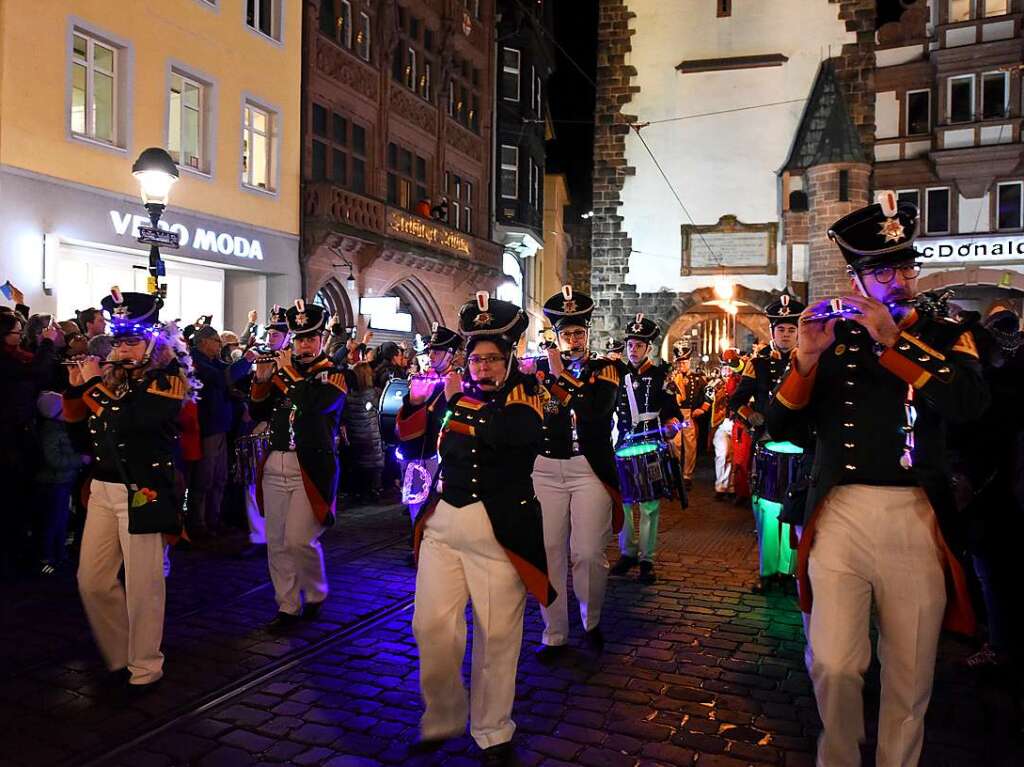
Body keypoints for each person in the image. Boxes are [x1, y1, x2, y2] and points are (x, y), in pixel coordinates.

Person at [766, 192, 988, 767]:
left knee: (910, 668)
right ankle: (837, 755)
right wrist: (806, 361)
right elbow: (778, 426)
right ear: (856, 276)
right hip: (839, 509)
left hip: (916, 512)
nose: (899, 279)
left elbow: (968, 402)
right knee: (834, 661)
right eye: (882, 269)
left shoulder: (945, 331)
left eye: (904, 266)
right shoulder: (830, 336)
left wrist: (895, 339)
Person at [411, 292, 554, 766]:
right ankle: (443, 714)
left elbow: (511, 436)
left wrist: (459, 402)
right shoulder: (452, 391)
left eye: (492, 359)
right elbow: (412, 438)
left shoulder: (528, 392)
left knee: (496, 636)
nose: (483, 367)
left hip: (499, 528)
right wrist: (422, 399)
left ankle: (493, 729)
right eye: (476, 358)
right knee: (430, 624)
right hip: (444, 520)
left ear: (510, 357)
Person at [64, 289, 192, 690]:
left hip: (144, 489)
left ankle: (145, 666)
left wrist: (93, 388)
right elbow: (81, 434)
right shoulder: (110, 379)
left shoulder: (167, 379)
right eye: (118, 340)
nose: (123, 349)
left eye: (132, 340)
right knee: (92, 579)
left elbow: (131, 421)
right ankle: (120, 653)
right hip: (102, 487)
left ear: (154, 340)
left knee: (143, 585)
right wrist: (75, 388)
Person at [528, 285, 622, 661]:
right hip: (546, 469)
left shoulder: (607, 370)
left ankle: (591, 619)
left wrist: (558, 375)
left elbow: (594, 413)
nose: (572, 339)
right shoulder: (535, 371)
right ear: (556, 335)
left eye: (578, 332)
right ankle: (553, 632)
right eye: (565, 333)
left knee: (586, 552)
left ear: (588, 333)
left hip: (589, 468)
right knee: (549, 550)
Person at [250, 299, 347, 629]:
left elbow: (313, 406)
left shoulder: (334, 374)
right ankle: (287, 605)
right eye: (299, 338)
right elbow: (258, 413)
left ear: (321, 340)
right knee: (276, 541)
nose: (303, 344)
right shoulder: (282, 373)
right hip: (276, 462)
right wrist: (262, 381)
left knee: (298, 539)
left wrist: (287, 373)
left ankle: (316, 590)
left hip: (310, 467)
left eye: (310, 338)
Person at [730, 294, 807, 589]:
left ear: (798, 332)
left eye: (791, 330)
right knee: (767, 512)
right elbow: (737, 400)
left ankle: (789, 572)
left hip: (799, 445)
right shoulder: (757, 364)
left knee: (793, 511)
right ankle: (767, 571)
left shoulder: (808, 363)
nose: (786, 335)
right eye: (781, 330)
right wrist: (751, 416)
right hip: (769, 444)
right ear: (772, 332)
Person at [609, 314, 683, 584]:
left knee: (650, 506)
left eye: (639, 345)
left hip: (650, 446)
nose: (633, 349)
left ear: (648, 348)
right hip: (623, 446)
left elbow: (673, 413)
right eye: (630, 344)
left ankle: (646, 559)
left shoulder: (660, 375)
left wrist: (672, 425)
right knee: (625, 503)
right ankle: (627, 552)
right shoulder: (616, 374)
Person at [188, 324, 255, 537]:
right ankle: (198, 524)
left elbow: (228, 374)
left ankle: (214, 520)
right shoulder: (196, 362)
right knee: (204, 479)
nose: (220, 345)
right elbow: (223, 378)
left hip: (221, 425)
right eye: (217, 341)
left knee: (220, 477)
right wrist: (247, 360)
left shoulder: (213, 361)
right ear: (204, 342)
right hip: (208, 427)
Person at [396, 323, 463, 529]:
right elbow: (403, 427)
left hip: (441, 458)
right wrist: (413, 403)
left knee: (440, 514)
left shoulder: (459, 383)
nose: (431, 356)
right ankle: (418, 547)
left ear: (450, 355)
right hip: (416, 455)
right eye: (430, 351)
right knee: (417, 512)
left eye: (437, 351)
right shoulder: (423, 380)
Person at [237, 305, 290, 558]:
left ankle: (284, 534)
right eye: (270, 334)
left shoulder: (292, 363)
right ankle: (259, 535)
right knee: (252, 483)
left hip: (288, 432)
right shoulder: (261, 359)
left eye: (276, 335)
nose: (271, 339)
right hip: (261, 427)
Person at [33, 390, 85, 575]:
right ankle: (47, 558)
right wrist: (80, 460)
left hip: (63, 480)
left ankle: (59, 554)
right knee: (52, 521)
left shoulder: (60, 427)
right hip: (54, 482)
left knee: (59, 519)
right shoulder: (51, 431)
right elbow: (54, 460)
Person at [341, 362, 385, 503]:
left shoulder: (348, 394)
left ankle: (359, 492)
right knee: (373, 465)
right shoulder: (375, 393)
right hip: (371, 435)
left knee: (358, 464)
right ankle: (373, 491)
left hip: (355, 434)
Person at [668, 344, 706, 488]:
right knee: (675, 444)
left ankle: (687, 474)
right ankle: (676, 474)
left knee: (690, 445)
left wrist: (703, 408)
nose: (682, 365)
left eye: (684, 362)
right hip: (676, 414)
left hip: (689, 413)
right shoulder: (672, 378)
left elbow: (708, 393)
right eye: (679, 362)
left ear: (689, 362)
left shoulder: (697, 378)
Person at [709, 349, 744, 499]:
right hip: (721, 423)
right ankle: (721, 486)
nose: (727, 370)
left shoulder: (741, 382)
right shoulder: (717, 384)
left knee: (733, 456)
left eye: (730, 366)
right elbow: (706, 400)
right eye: (724, 366)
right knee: (722, 453)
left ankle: (730, 487)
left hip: (737, 422)